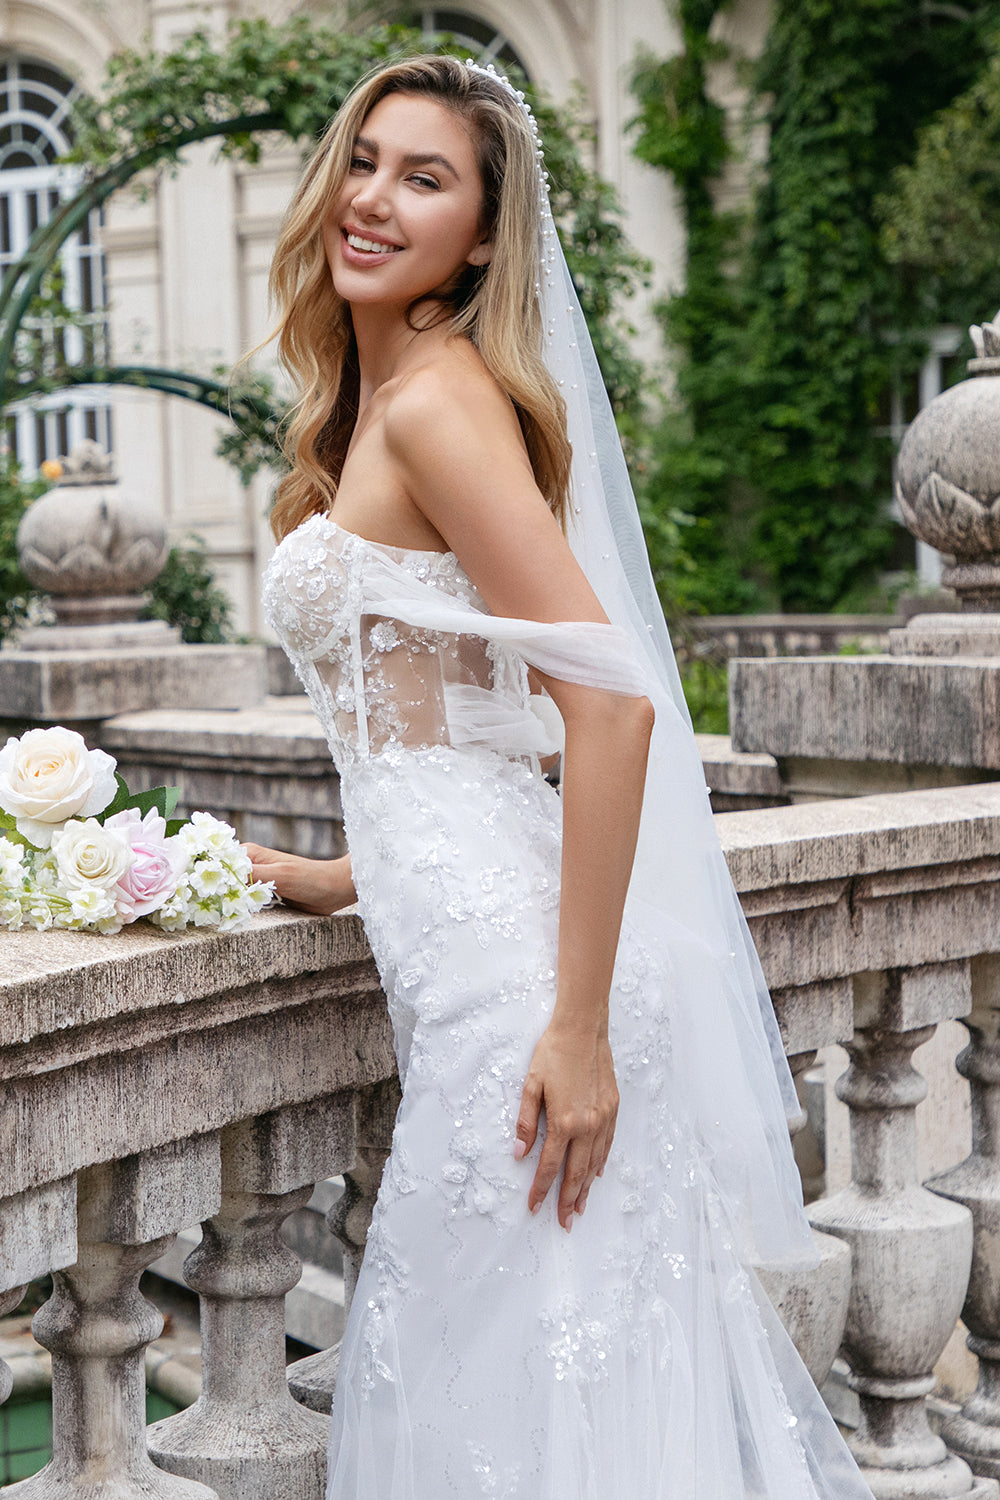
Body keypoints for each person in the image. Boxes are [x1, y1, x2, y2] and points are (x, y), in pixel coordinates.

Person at [248, 53, 875, 1499]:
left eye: (426, 178)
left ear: (480, 236)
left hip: (521, 997)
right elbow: (461, 717)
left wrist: (578, 1027)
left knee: (512, 1378)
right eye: (365, 161)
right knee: (523, 1375)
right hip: (466, 929)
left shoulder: (437, 405)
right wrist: (354, 874)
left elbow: (608, 709)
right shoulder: (385, 403)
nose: (375, 199)